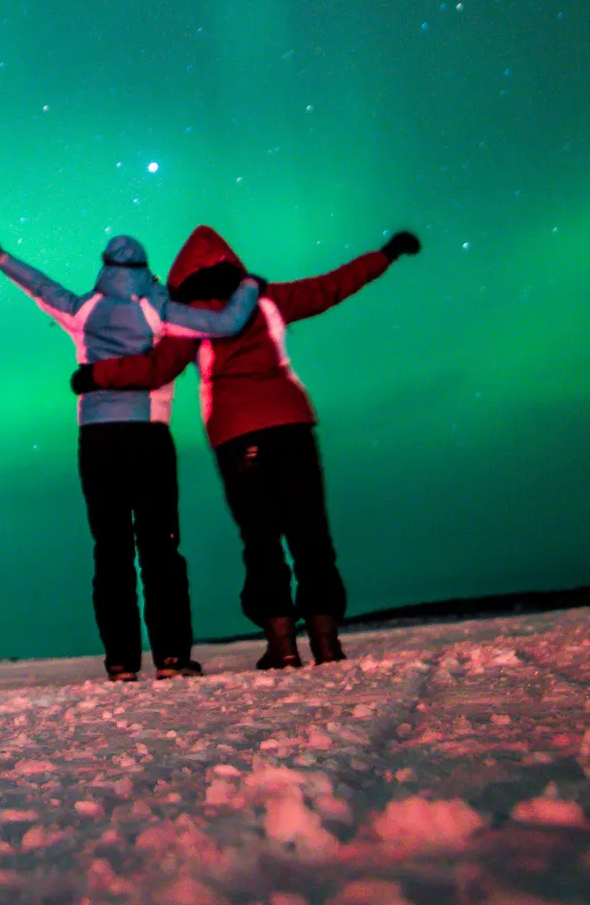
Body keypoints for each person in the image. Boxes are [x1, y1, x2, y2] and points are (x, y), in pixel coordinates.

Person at [73, 225, 421, 669]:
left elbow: (155, 368)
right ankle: (326, 640)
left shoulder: (189, 320)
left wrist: (98, 376)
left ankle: (282, 646)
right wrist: (386, 254)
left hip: (236, 433)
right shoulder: (268, 299)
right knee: (309, 530)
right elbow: (333, 286)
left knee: (262, 538)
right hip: (292, 423)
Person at [0, 229, 264, 683]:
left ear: (105, 266)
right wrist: (249, 287)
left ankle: (120, 662)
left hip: (96, 441)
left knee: (110, 550)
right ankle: (171, 656)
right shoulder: (159, 310)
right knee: (160, 547)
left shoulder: (83, 309)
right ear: (143, 268)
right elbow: (228, 324)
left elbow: (38, 284)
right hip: (147, 436)